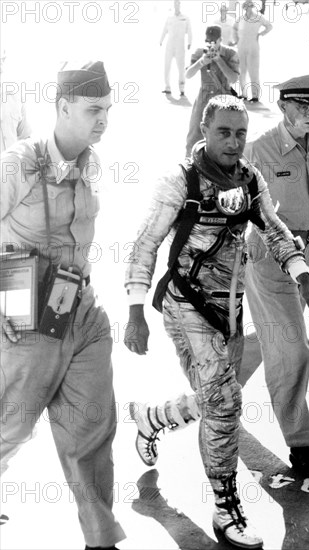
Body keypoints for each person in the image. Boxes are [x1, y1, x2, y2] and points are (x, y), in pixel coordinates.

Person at [128, 75, 309, 484]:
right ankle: (302, 447)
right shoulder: (258, 152)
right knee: (295, 351)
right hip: (264, 261)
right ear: (283, 106)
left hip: (303, 255)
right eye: (303, 106)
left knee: (260, 351)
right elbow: (250, 214)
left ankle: (163, 414)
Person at [125, 94, 309, 549]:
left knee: (215, 399)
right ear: (205, 132)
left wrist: (302, 274)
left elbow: (273, 228)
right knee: (228, 403)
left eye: (240, 134)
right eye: (223, 132)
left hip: (227, 312)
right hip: (185, 306)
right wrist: (135, 310)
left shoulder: (250, 180)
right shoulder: (180, 181)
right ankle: (226, 507)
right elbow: (145, 244)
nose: (233, 142)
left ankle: (152, 418)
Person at [0, 61, 125, 550]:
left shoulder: (92, 163)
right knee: (10, 425)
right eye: (93, 109)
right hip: (24, 308)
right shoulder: (19, 162)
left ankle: (101, 541)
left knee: (92, 432)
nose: (103, 120)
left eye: (108, 110)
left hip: (80, 307)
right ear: (63, 106)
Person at [185, 25, 239, 156]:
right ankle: (190, 166)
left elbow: (233, 79)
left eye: (214, 41)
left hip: (224, 98)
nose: (211, 44)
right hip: (204, 97)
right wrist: (201, 62)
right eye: (208, 41)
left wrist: (219, 60)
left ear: (220, 40)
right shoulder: (200, 52)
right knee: (194, 135)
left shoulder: (230, 53)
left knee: (225, 135)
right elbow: (188, 74)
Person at [232, 1, 273, 102]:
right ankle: (244, 94)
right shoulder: (241, 18)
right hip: (241, 45)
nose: (248, 8)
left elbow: (269, 26)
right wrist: (235, 40)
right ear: (244, 8)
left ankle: (255, 95)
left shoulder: (258, 17)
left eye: (250, 6)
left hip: (253, 45)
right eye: (246, 6)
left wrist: (260, 34)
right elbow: (234, 28)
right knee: (241, 71)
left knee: (253, 71)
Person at [0, 49, 32, 153]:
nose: (1, 67)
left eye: (2, 60)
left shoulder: (16, 96)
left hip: (12, 167)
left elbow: (26, 138)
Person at [160, 0, 192, 97]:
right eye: (175, 3)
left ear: (180, 4)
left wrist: (189, 42)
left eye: (178, 3)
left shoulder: (185, 18)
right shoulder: (170, 17)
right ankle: (167, 87)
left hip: (180, 46)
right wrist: (161, 40)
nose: (176, 5)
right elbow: (164, 30)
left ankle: (182, 88)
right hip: (170, 45)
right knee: (167, 66)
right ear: (173, 5)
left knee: (181, 68)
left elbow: (190, 31)